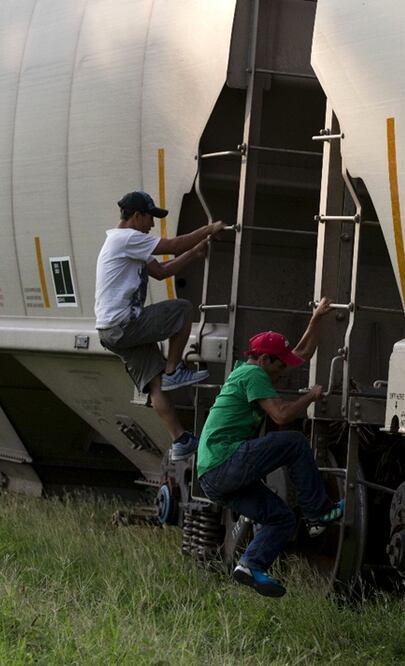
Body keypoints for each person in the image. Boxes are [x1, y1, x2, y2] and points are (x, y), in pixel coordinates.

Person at [197, 299, 345, 597]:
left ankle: (251, 565)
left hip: (212, 478)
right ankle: (318, 513)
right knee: (292, 441)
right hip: (225, 461)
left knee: (281, 517)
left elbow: (301, 354)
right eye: (279, 365)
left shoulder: (251, 371)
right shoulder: (254, 375)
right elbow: (281, 415)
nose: (282, 372)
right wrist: (311, 397)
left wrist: (316, 318)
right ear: (264, 359)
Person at [95, 190, 227, 461]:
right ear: (136, 216)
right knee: (182, 309)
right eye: (150, 218)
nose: (152, 225)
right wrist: (208, 229)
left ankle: (180, 441)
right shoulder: (126, 238)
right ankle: (175, 368)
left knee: (155, 385)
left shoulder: (126, 243)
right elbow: (173, 245)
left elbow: (162, 272)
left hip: (110, 331)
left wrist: (194, 253)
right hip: (125, 324)